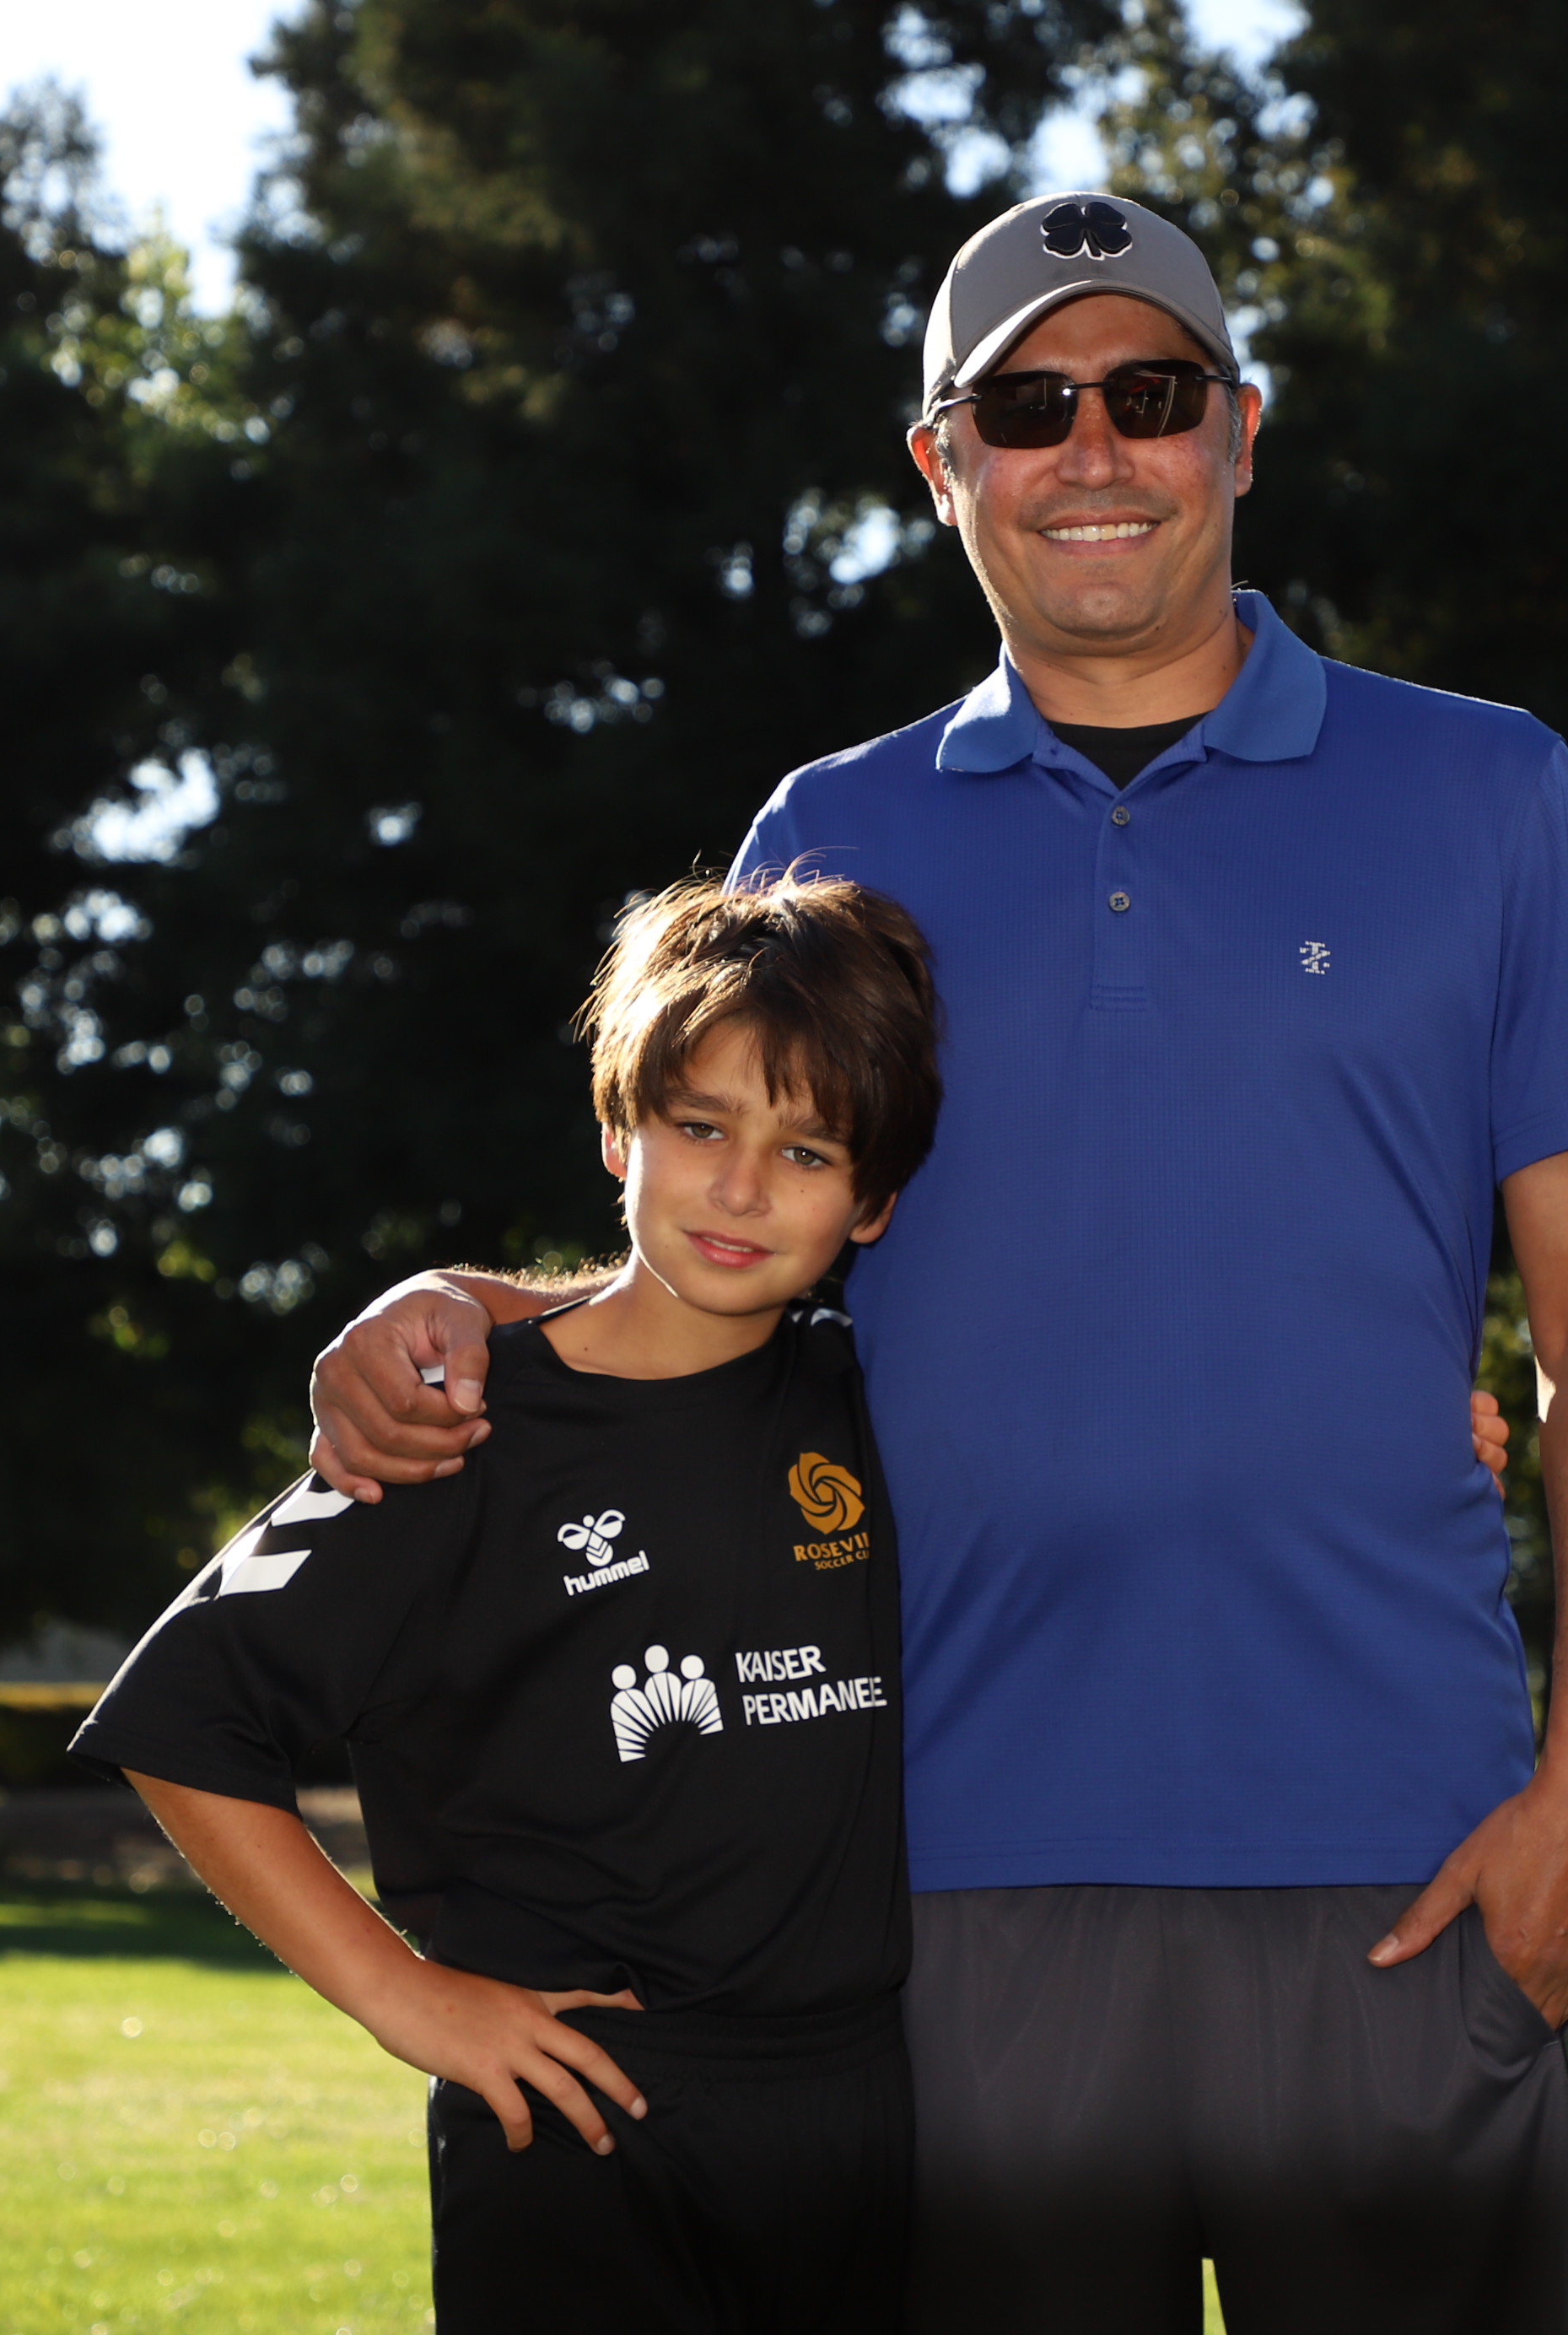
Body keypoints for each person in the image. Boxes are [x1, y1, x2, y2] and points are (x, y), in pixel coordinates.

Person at [312, 191, 1568, 2333]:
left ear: (1239, 429)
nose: (1094, 450)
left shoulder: (1494, 793)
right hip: (943, 1883)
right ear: (940, 461)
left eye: (1148, 393)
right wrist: (456, 1309)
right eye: (1029, 407)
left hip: (1405, 1862)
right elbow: (722, 1272)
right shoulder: (825, 837)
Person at [72, 875, 943, 2335]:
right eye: (701, 1128)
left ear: (874, 1204)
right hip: (581, 2120)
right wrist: (409, 1998)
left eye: (805, 1152)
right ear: (618, 1131)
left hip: (861, 2112)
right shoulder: (454, 1420)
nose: (742, 1189)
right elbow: (182, 1718)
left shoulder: (872, 1395)